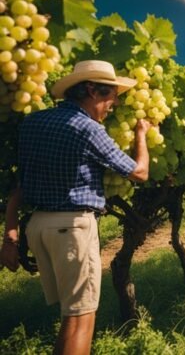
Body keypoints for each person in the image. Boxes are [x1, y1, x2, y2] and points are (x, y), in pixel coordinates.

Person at [0, 60, 150, 355]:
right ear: (92, 91)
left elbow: (20, 186)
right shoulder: (88, 129)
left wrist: (10, 235)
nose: (115, 103)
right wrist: (141, 135)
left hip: (38, 228)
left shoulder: (32, 123)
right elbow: (139, 173)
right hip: (72, 228)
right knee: (81, 320)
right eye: (111, 96)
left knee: (70, 318)